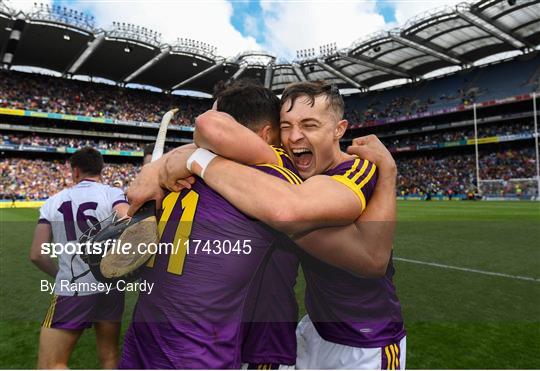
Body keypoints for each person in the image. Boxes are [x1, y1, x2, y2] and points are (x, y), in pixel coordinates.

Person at [127, 81, 402, 369]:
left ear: (338, 130)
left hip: (367, 338)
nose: (295, 136)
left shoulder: (355, 169)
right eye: (287, 126)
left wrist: (198, 160)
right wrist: (157, 167)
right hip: (314, 329)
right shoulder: (287, 166)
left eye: (309, 125)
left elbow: (371, 258)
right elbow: (226, 142)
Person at [29, 147, 129, 369]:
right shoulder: (112, 193)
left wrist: (58, 274)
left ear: (75, 171)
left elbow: (37, 254)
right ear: (100, 169)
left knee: (51, 364)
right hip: (111, 285)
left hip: (73, 287)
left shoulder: (53, 201)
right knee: (110, 356)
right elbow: (127, 218)